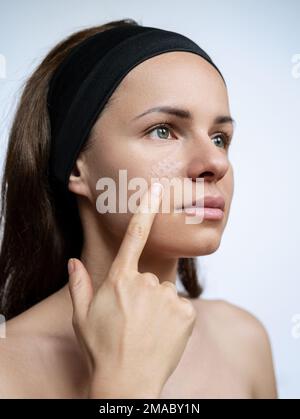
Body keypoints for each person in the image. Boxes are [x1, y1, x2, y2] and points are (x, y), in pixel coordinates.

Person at [0, 18, 277, 399]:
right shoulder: (6, 369)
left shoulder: (244, 342)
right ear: (77, 165)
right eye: (163, 130)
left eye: (219, 138)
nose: (216, 162)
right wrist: (123, 386)